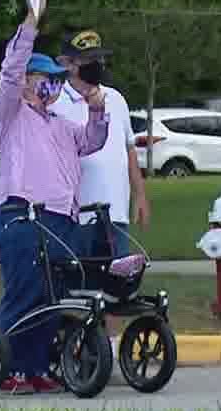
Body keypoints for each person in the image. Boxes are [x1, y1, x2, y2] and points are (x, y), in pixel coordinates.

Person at [0, 0, 110, 395]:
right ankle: (6, 367)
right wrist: (30, 24)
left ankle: (35, 366)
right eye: (47, 77)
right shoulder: (8, 114)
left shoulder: (60, 123)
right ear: (27, 80)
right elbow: (8, 74)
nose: (55, 84)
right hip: (21, 215)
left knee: (51, 298)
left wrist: (95, 110)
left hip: (59, 220)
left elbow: (92, 141)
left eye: (59, 78)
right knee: (24, 291)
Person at [53, 29, 149, 257]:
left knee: (117, 283)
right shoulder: (55, 101)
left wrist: (140, 195)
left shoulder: (116, 98)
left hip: (115, 214)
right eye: (90, 60)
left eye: (100, 58)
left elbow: (129, 149)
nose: (98, 64)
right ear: (69, 64)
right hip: (75, 216)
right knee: (79, 284)